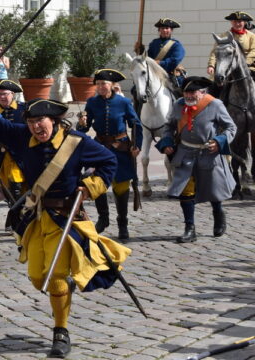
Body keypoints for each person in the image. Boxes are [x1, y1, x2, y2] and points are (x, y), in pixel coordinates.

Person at [0, 78, 130, 358]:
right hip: (35, 218)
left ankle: (60, 331)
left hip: (65, 217)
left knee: (54, 279)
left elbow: (109, 162)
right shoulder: (22, 136)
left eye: (41, 121)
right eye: (31, 122)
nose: (36, 127)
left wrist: (90, 186)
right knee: (36, 278)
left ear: (54, 120)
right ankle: (62, 291)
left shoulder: (76, 143)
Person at [156, 77, 236, 243]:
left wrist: (220, 141)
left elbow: (231, 127)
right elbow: (169, 126)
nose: (188, 95)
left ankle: (218, 213)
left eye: (192, 92)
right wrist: (167, 142)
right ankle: (189, 228)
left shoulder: (215, 105)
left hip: (208, 152)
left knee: (213, 189)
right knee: (186, 190)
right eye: (186, 92)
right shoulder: (178, 104)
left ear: (202, 92)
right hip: (185, 152)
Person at [77, 69, 142, 242]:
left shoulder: (124, 102)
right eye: (98, 84)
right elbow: (84, 127)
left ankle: (123, 224)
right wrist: (81, 124)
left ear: (112, 85)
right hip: (99, 149)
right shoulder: (91, 102)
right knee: (97, 184)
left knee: (121, 188)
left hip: (120, 149)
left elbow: (136, 125)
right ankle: (103, 219)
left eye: (104, 84)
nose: (101, 87)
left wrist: (137, 145)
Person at [0, 80, 27, 203]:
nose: (1, 97)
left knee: (17, 187)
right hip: (3, 155)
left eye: (5, 94)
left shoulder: (24, 109)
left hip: (20, 154)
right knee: (6, 188)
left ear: (12, 94)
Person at [207, 11, 255, 77]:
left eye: (240, 21)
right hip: (226, 67)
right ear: (231, 22)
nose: (237, 24)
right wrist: (211, 65)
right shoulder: (224, 36)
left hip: (247, 66)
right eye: (235, 21)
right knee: (214, 82)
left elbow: (253, 51)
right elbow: (215, 51)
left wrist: (245, 62)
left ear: (244, 22)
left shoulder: (251, 36)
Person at [146, 18, 186, 89]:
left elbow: (175, 60)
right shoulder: (153, 43)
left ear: (171, 30)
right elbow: (148, 58)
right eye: (162, 28)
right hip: (154, 73)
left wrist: (160, 63)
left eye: (167, 28)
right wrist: (140, 51)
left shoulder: (176, 45)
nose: (164, 30)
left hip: (170, 73)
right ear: (159, 30)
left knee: (180, 91)